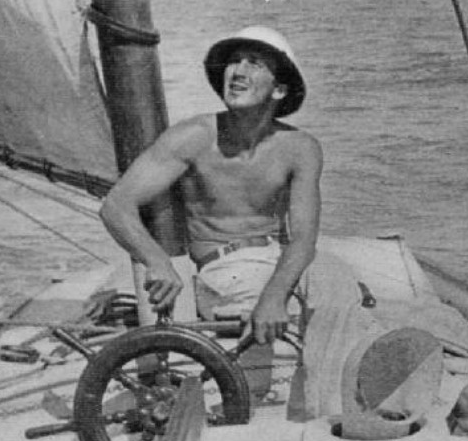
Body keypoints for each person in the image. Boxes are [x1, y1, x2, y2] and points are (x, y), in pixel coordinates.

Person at [99, 26, 323, 345]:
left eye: (254, 63)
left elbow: (303, 238)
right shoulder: (194, 136)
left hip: (280, 260)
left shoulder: (301, 148)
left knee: (345, 295)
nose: (238, 71)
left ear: (279, 90)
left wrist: (275, 295)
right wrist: (156, 260)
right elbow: (116, 206)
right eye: (234, 61)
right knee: (287, 321)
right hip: (225, 268)